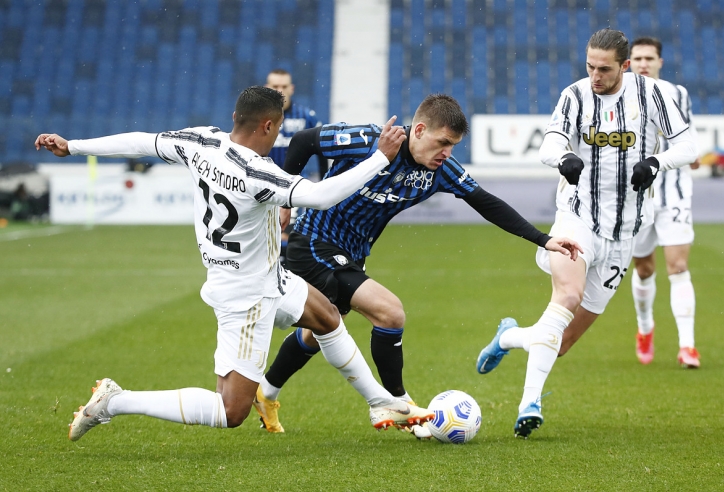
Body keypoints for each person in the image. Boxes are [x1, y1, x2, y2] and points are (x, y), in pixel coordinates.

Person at [34, 86, 433, 441]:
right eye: (277, 129)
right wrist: (381, 157)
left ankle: (383, 403)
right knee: (231, 411)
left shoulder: (201, 141)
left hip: (267, 276)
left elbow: (142, 141)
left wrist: (74, 146)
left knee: (328, 317)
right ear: (266, 126)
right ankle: (115, 401)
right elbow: (323, 195)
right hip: (245, 296)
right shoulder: (258, 173)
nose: (278, 137)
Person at [252, 93, 583, 436]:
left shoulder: (439, 171)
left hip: (352, 253)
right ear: (420, 130)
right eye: (443, 143)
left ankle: (267, 392)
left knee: (317, 329)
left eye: (453, 146)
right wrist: (284, 198)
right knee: (390, 312)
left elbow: (486, 202)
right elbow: (305, 140)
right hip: (313, 243)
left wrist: (543, 239)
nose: (447, 153)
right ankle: (399, 404)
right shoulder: (369, 139)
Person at [475, 29, 698, 438]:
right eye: (590, 66)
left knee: (560, 343)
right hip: (577, 218)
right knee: (568, 296)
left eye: (604, 69)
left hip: (625, 231)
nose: (595, 75)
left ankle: (509, 337)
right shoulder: (575, 95)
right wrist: (564, 157)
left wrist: (655, 162)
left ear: (625, 66)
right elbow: (548, 144)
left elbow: (689, 147)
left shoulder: (653, 95)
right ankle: (529, 403)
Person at [626, 37, 700, 368]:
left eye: (649, 58)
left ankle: (688, 346)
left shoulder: (678, 94)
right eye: (638, 58)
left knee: (678, 266)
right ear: (628, 62)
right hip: (637, 193)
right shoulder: (621, 94)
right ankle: (645, 328)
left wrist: (691, 156)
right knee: (644, 268)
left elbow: (686, 140)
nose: (643, 63)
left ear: (660, 62)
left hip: (673, 192)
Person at [265, 69, 325, 264]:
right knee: (267, 243)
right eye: (275, 86)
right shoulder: (258, 117)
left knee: (288, 241)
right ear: (267, 88)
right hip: (264, 188)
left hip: (295, 190)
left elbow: (323, 151)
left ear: (291, 89)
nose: (280, 91)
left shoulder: (306, 117)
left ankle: (288, 285)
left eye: (284, 86)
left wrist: (325, 182)